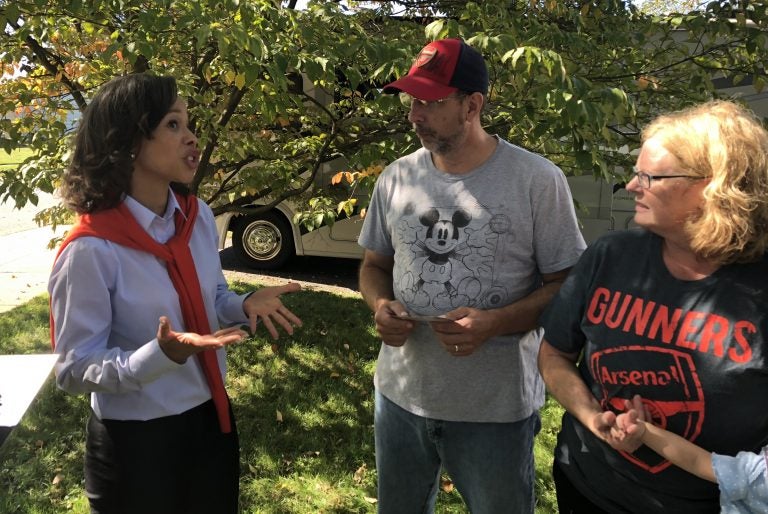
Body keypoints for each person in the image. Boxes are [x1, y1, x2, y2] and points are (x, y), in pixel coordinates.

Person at [48, 73, 303, 514]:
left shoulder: (196, 216)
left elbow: (212, 295)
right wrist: (159, 355)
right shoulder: (91, 250)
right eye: (172, 124)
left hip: (210, 423)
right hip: (136, 447)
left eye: (188, 123)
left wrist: (241, 305)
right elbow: (74, 369)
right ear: (128, 139)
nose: (192, 137)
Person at [357, 37, 586, 513]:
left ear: (472, 105)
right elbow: (373, 265)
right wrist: (379, 305)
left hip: (495, 411)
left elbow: (568, 286)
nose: (414, 114)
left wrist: (496, 322)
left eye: (430, 102)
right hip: (399, 398)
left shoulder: (537, 180)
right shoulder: (396, 177)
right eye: (412, 100)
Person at [537, 99, 768, 513]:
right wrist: (593, 418)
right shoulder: (610, 256)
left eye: (650, 176)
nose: (631, 186)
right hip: (588, 486)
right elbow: (554, 352)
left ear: (713, 187)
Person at [611, 395, 768, 513]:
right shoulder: (759, 475)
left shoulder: (759, 477)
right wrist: (644, 431)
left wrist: (645, 431)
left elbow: (697, 461)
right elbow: (696, 460)